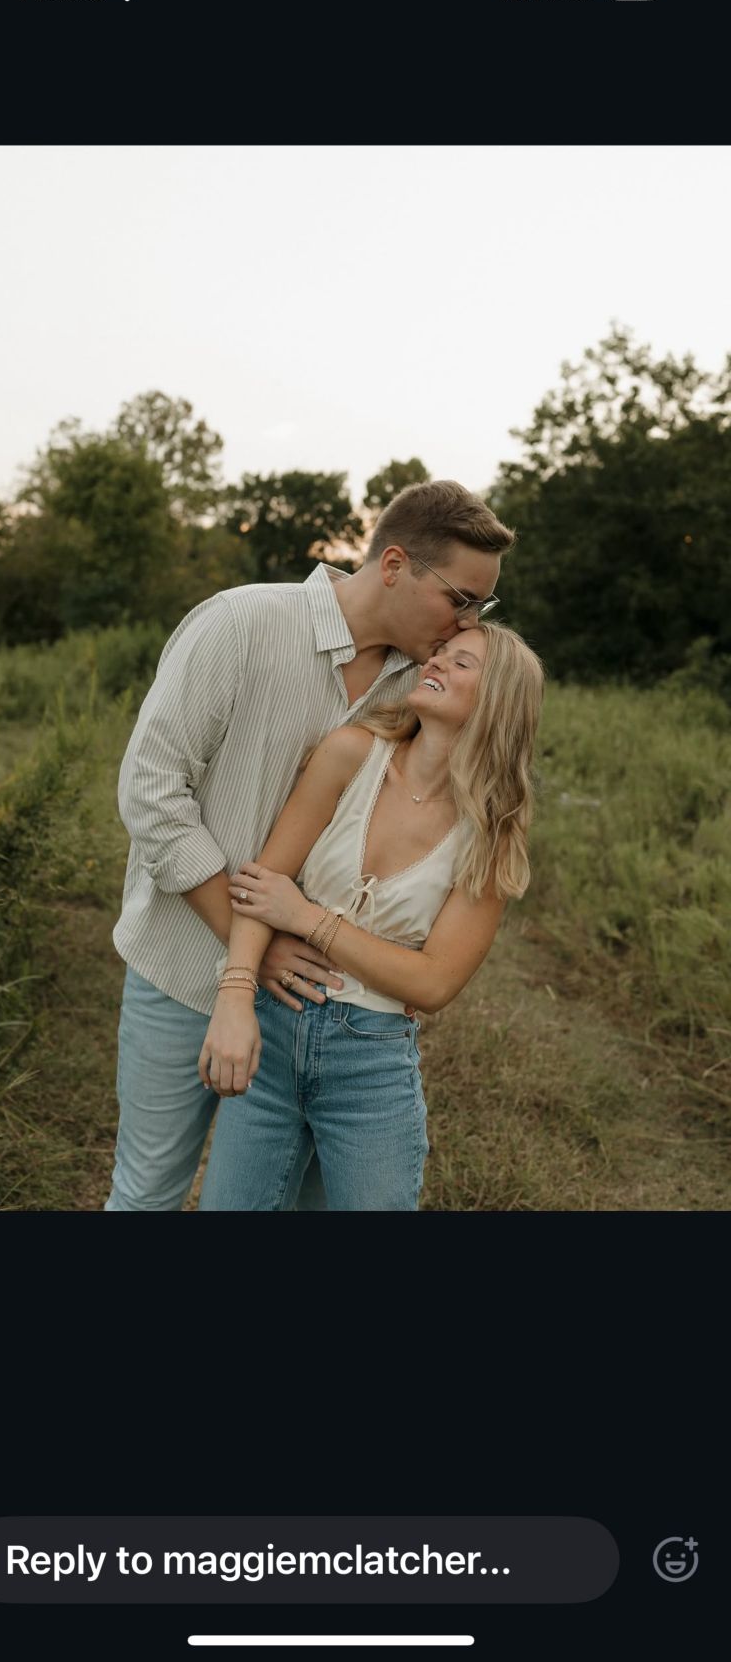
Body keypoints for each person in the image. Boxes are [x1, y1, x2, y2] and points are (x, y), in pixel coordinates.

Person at [105, 479, 515, 1211]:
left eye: (480, 608)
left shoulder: (415, 683)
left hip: (312, 1011)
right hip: (184, 968)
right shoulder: (241, 624)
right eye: (460, 599)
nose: (465, 624)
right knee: (148, 1194)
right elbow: (151, 792)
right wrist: (252, 948)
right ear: (395, 565)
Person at [197, 620, 544, 1211]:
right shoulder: (350, 754)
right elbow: (261, 889)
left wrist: (308, 919)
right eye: (440, 652)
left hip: (371, 1065)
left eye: (462, 663)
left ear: (499, 701)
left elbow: (433, 983)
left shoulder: (490, 832)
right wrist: (234, 997)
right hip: (273, 1036)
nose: (435, 662)